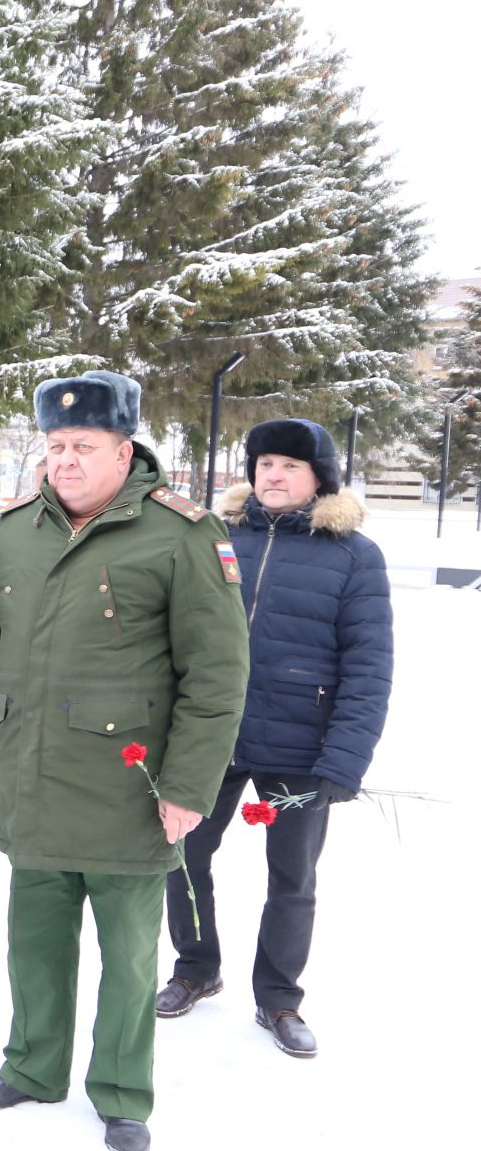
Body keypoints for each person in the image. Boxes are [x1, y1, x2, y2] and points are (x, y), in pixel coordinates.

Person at [0, 371, 247, 1151]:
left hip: (131, 787)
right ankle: (33, 1068)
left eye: (83, 446)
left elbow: (217, 678)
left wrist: (187, 789)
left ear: (125, 449)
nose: (66, 461)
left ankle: (120, 1093)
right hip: (36, 775)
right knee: (34, 943)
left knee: (130, 957)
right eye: (54, 446)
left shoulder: (180, 534)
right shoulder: (15, 529)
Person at [158, 419, 392, 1058]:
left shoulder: (352, 555)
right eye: (264, 463)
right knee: (182, 855)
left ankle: (279, 997)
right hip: (214, 736)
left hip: (301, 747)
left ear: (319, 478)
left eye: (289, 465)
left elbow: (368, 666)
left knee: (292, 877)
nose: (273, 475)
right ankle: (196, 968)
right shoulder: (218, 539)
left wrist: (344, 759)